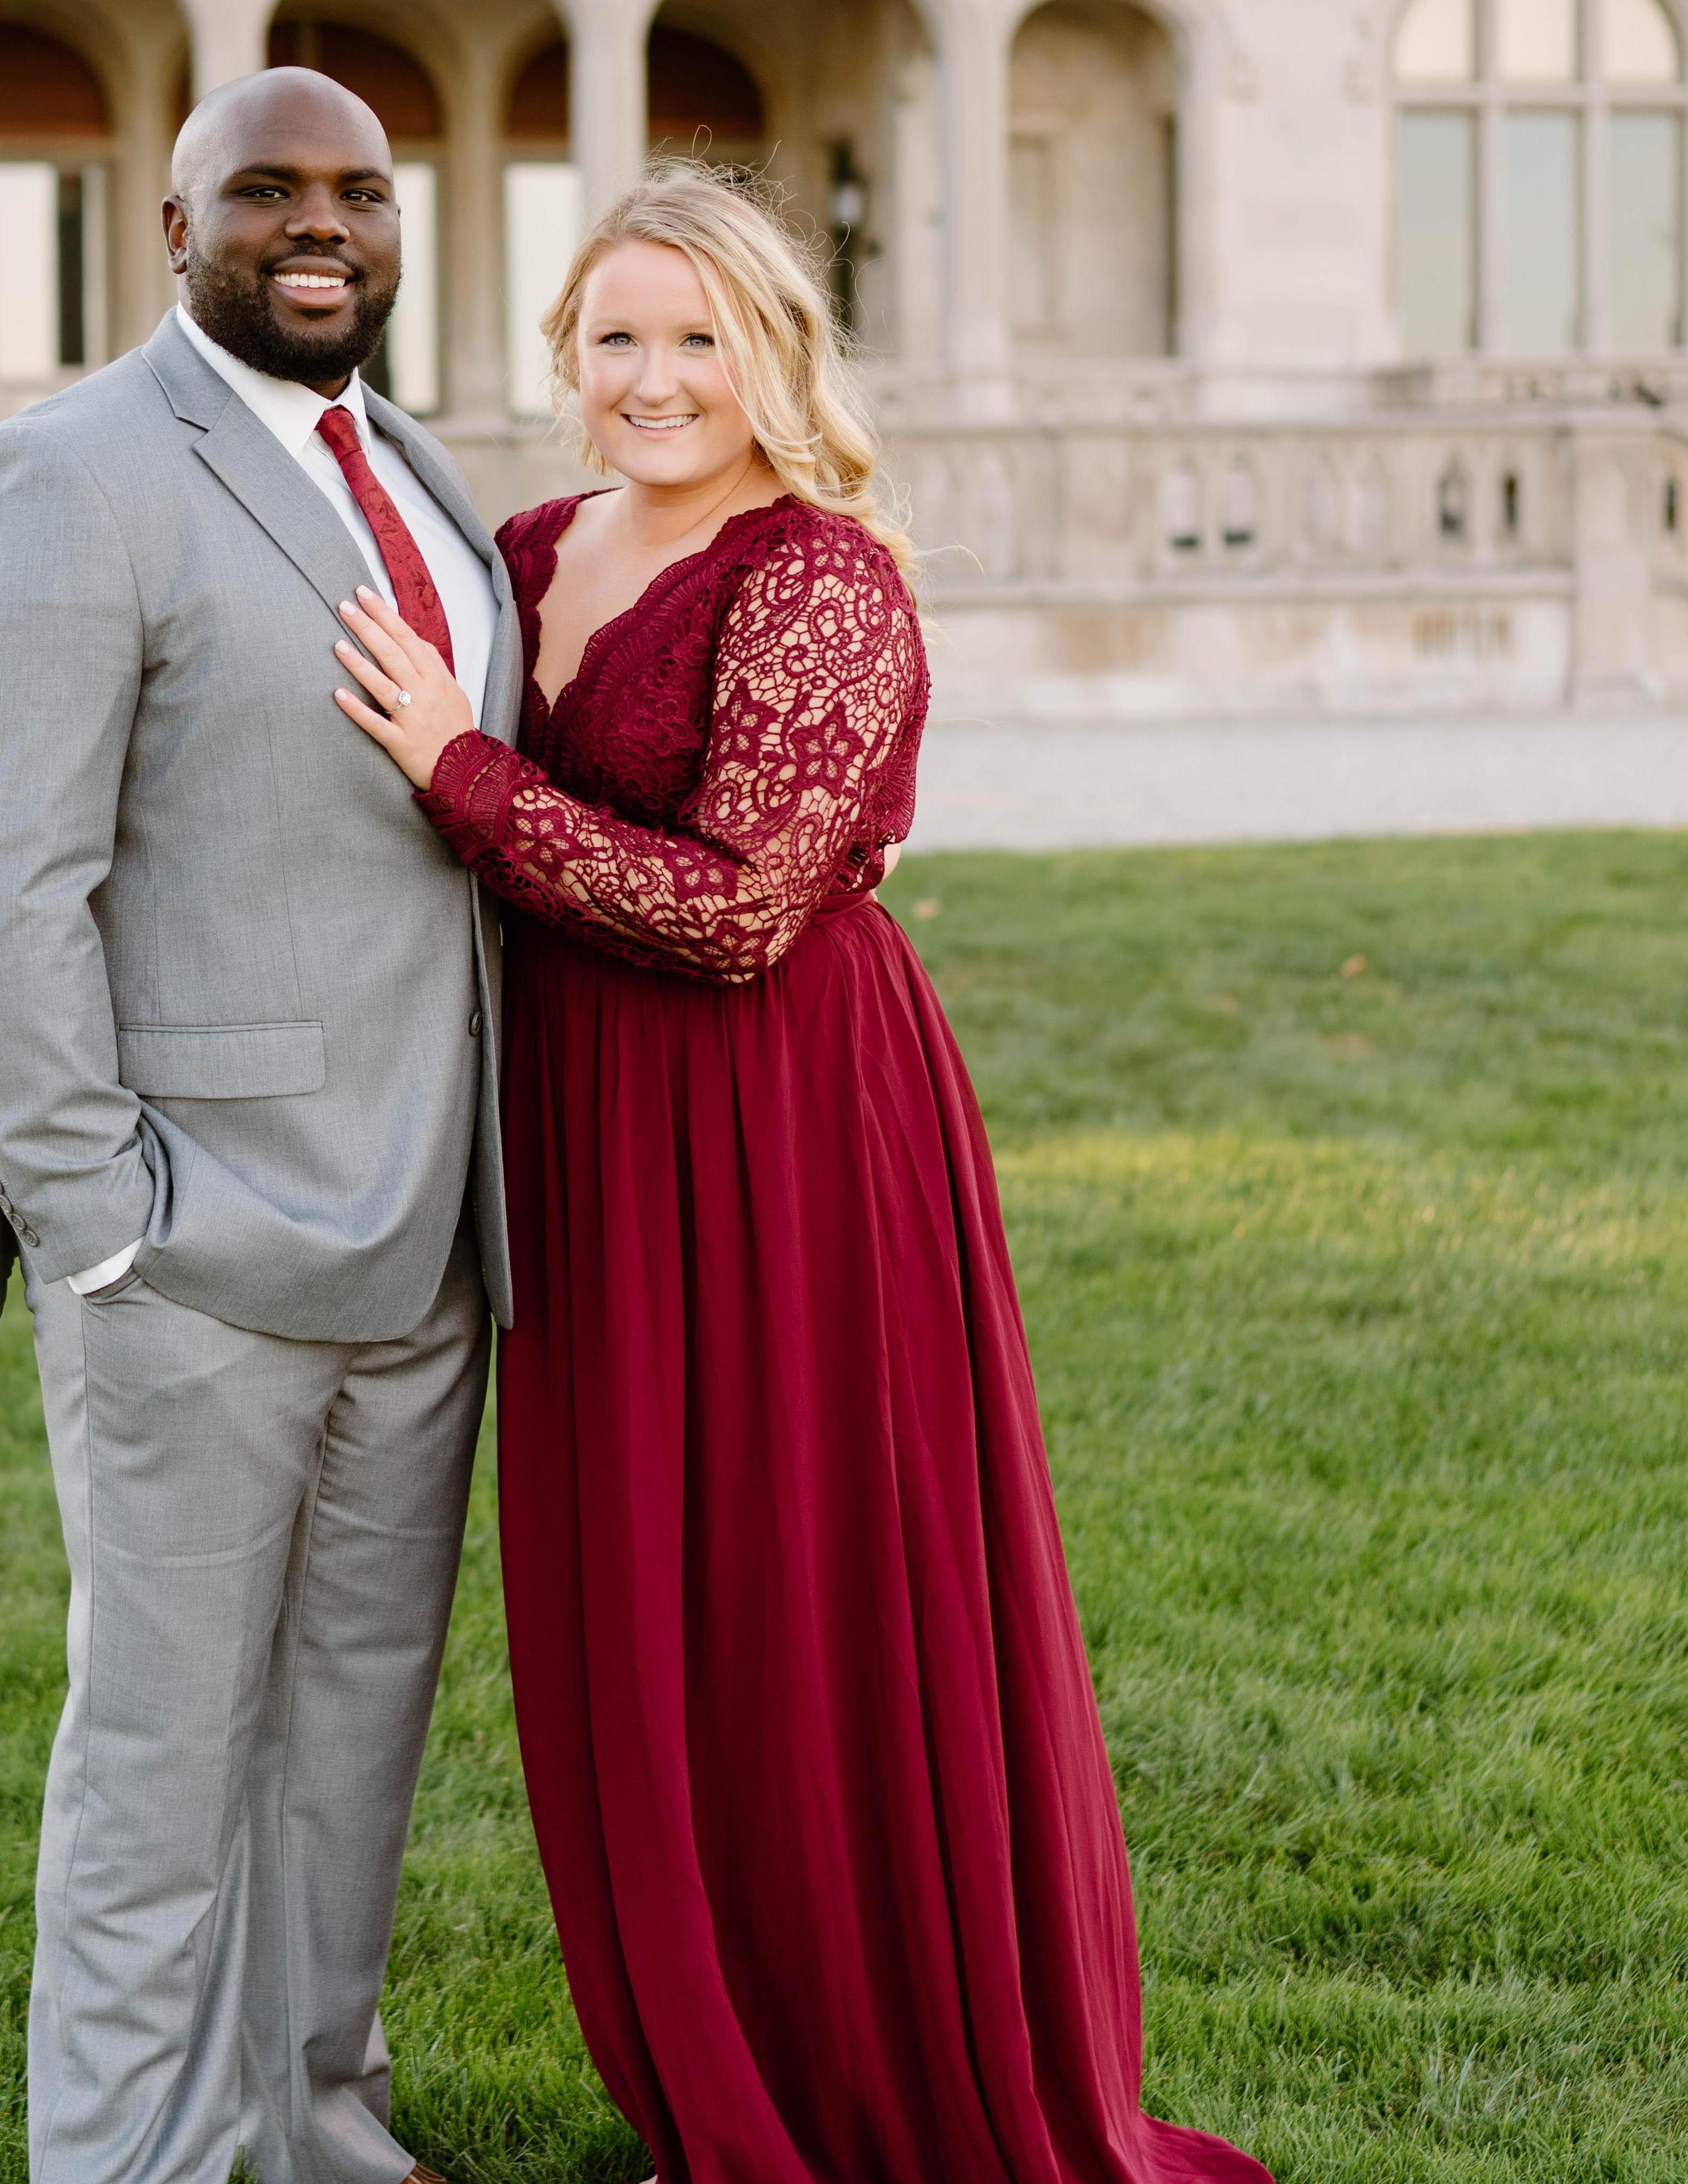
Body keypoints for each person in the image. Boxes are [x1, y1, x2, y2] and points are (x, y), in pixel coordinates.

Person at [330, 164, 1274, 2184]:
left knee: (794, 1582)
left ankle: (866, 2068)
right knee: (639, 1609)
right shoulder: (520, 549)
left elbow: (745, 910)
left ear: (774, 357)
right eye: (617, 337)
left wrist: (464, 774)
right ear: (563, 356)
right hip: (585, 1130)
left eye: (700, 338)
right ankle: (708, 2072)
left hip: (781, 1128)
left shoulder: (820, 575)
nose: (655, 378)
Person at [0, 66, 519, 2184]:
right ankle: (135, 2161)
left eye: (358, 188)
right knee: (162, 1774)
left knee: (347, 1750)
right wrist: (95, 1219)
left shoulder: (411, 473)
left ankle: (311, 2119)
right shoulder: (68, 478)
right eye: (264, 191)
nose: (320, 222)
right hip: (193, 1254)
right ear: (174, 229)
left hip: (433, 1244)